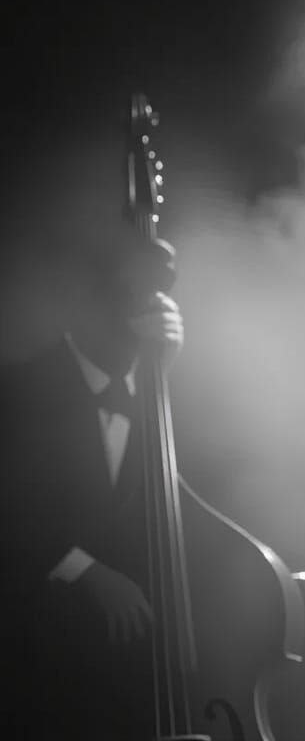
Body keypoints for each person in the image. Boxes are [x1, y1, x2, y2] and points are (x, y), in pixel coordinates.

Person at [0, 236, 185, 739]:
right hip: (30, 667)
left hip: (123, 679)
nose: (149, 309)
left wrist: (161, 379)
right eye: (132, 294)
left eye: (159, 295)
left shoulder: (155, 397)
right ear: (90, 299)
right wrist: (89, 571)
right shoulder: (17, 389)